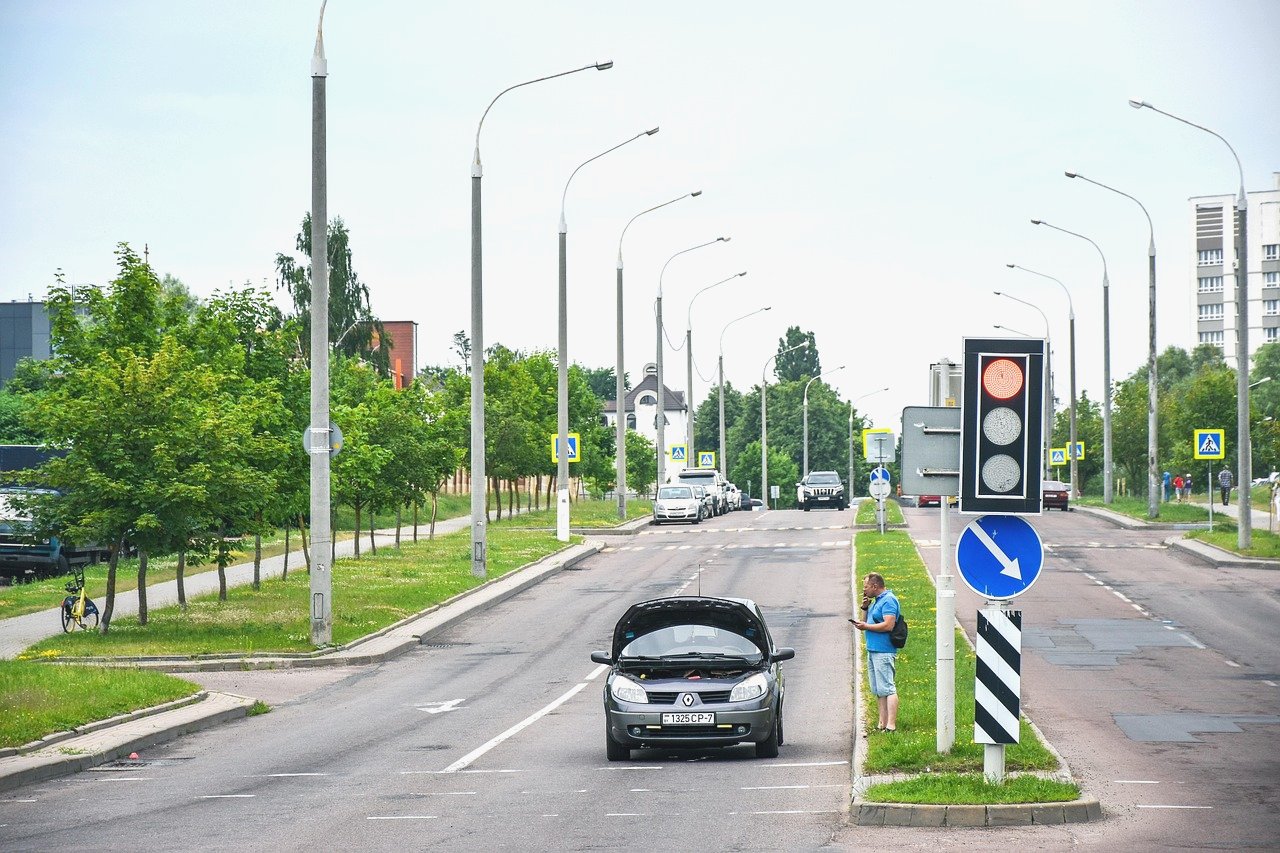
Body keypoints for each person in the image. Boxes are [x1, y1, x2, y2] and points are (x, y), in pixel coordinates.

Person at [852, 572, 900, 733]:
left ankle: (891, 725)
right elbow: (865, 621)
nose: (864, 590)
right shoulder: (877, 601)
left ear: (875, 586)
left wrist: (865, 627)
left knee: (888, 687)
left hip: (884, 650)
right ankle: (882, 723)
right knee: (879, 690)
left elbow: (888, 625)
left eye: (865, 587)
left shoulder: (889, 601)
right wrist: (865, 608)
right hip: (873, 649)